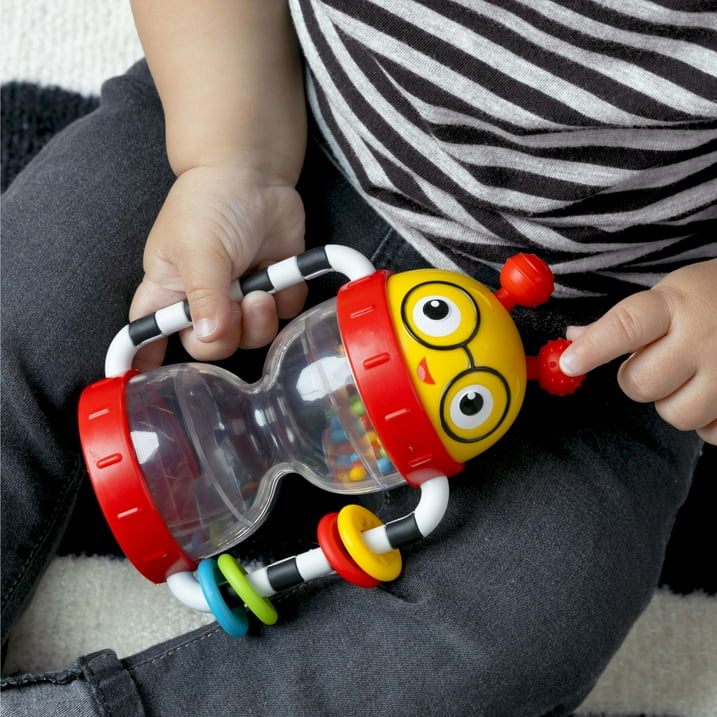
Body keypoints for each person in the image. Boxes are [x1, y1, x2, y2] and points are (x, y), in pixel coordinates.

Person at [2, 2, 715, 715]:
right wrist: (228, 155)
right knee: (34, 287)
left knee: (537, 609)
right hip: (263, 113)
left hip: (604, 323)